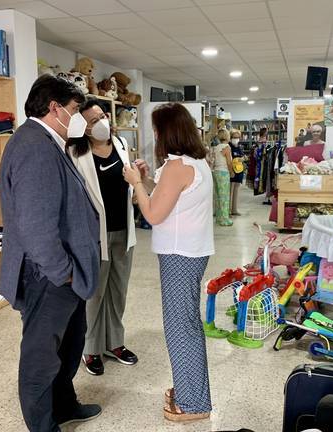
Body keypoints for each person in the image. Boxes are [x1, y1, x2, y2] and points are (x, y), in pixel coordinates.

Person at [0, 74, 101, 432]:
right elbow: (35, 224)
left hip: (63, 273)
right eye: (75, 109)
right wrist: (63, 272)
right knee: (41, 356)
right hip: (49, 275)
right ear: (55, 108)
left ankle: (63, 405)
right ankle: (43, 425)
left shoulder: (48, 141)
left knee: (68, 345)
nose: (80, 118)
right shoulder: (34, 146)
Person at [123, 103, 214, 423]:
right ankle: (191, 392)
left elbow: (152, 214)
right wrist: (147, 180)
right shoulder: (194, 162)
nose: (155, 135)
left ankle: (194, 404)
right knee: (185, 324)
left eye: (157, 130)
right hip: (190, 252)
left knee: (180, 328)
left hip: (180, 255)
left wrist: (135, 182)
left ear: (166, 132)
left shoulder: (177, 167)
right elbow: (167, 199)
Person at [68, 98, 138, 376]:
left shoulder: (120, 145)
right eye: (94, 120)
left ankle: (115, 343)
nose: (102, 123)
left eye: (103, 116)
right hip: (95, 235)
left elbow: (129, 186)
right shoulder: (76, 153)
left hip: (123, 229)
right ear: (84, 128)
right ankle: (91, 348)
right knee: (95, 295)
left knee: (118, 291)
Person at [211, 128, 234, 226]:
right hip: (223, 172)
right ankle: (225, 219)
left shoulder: (216, 147)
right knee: (224, 196)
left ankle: (219, 217)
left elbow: (213, 160)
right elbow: (229, 162)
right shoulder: (227, 147)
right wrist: (231, 172)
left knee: (218, 196)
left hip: (215, 172)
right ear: (227, 136)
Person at [229, 129, 244, 216]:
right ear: (230, 137)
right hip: (232, 172)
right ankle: (229, 210)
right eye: (234, 137)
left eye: (238, 137)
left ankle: (234, 209)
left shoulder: (239, 147)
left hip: (239, 171)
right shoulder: (229, 147)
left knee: (236, 191)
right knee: (230, 192)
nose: (236, 139)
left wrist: (243, 158)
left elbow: (241, 156)